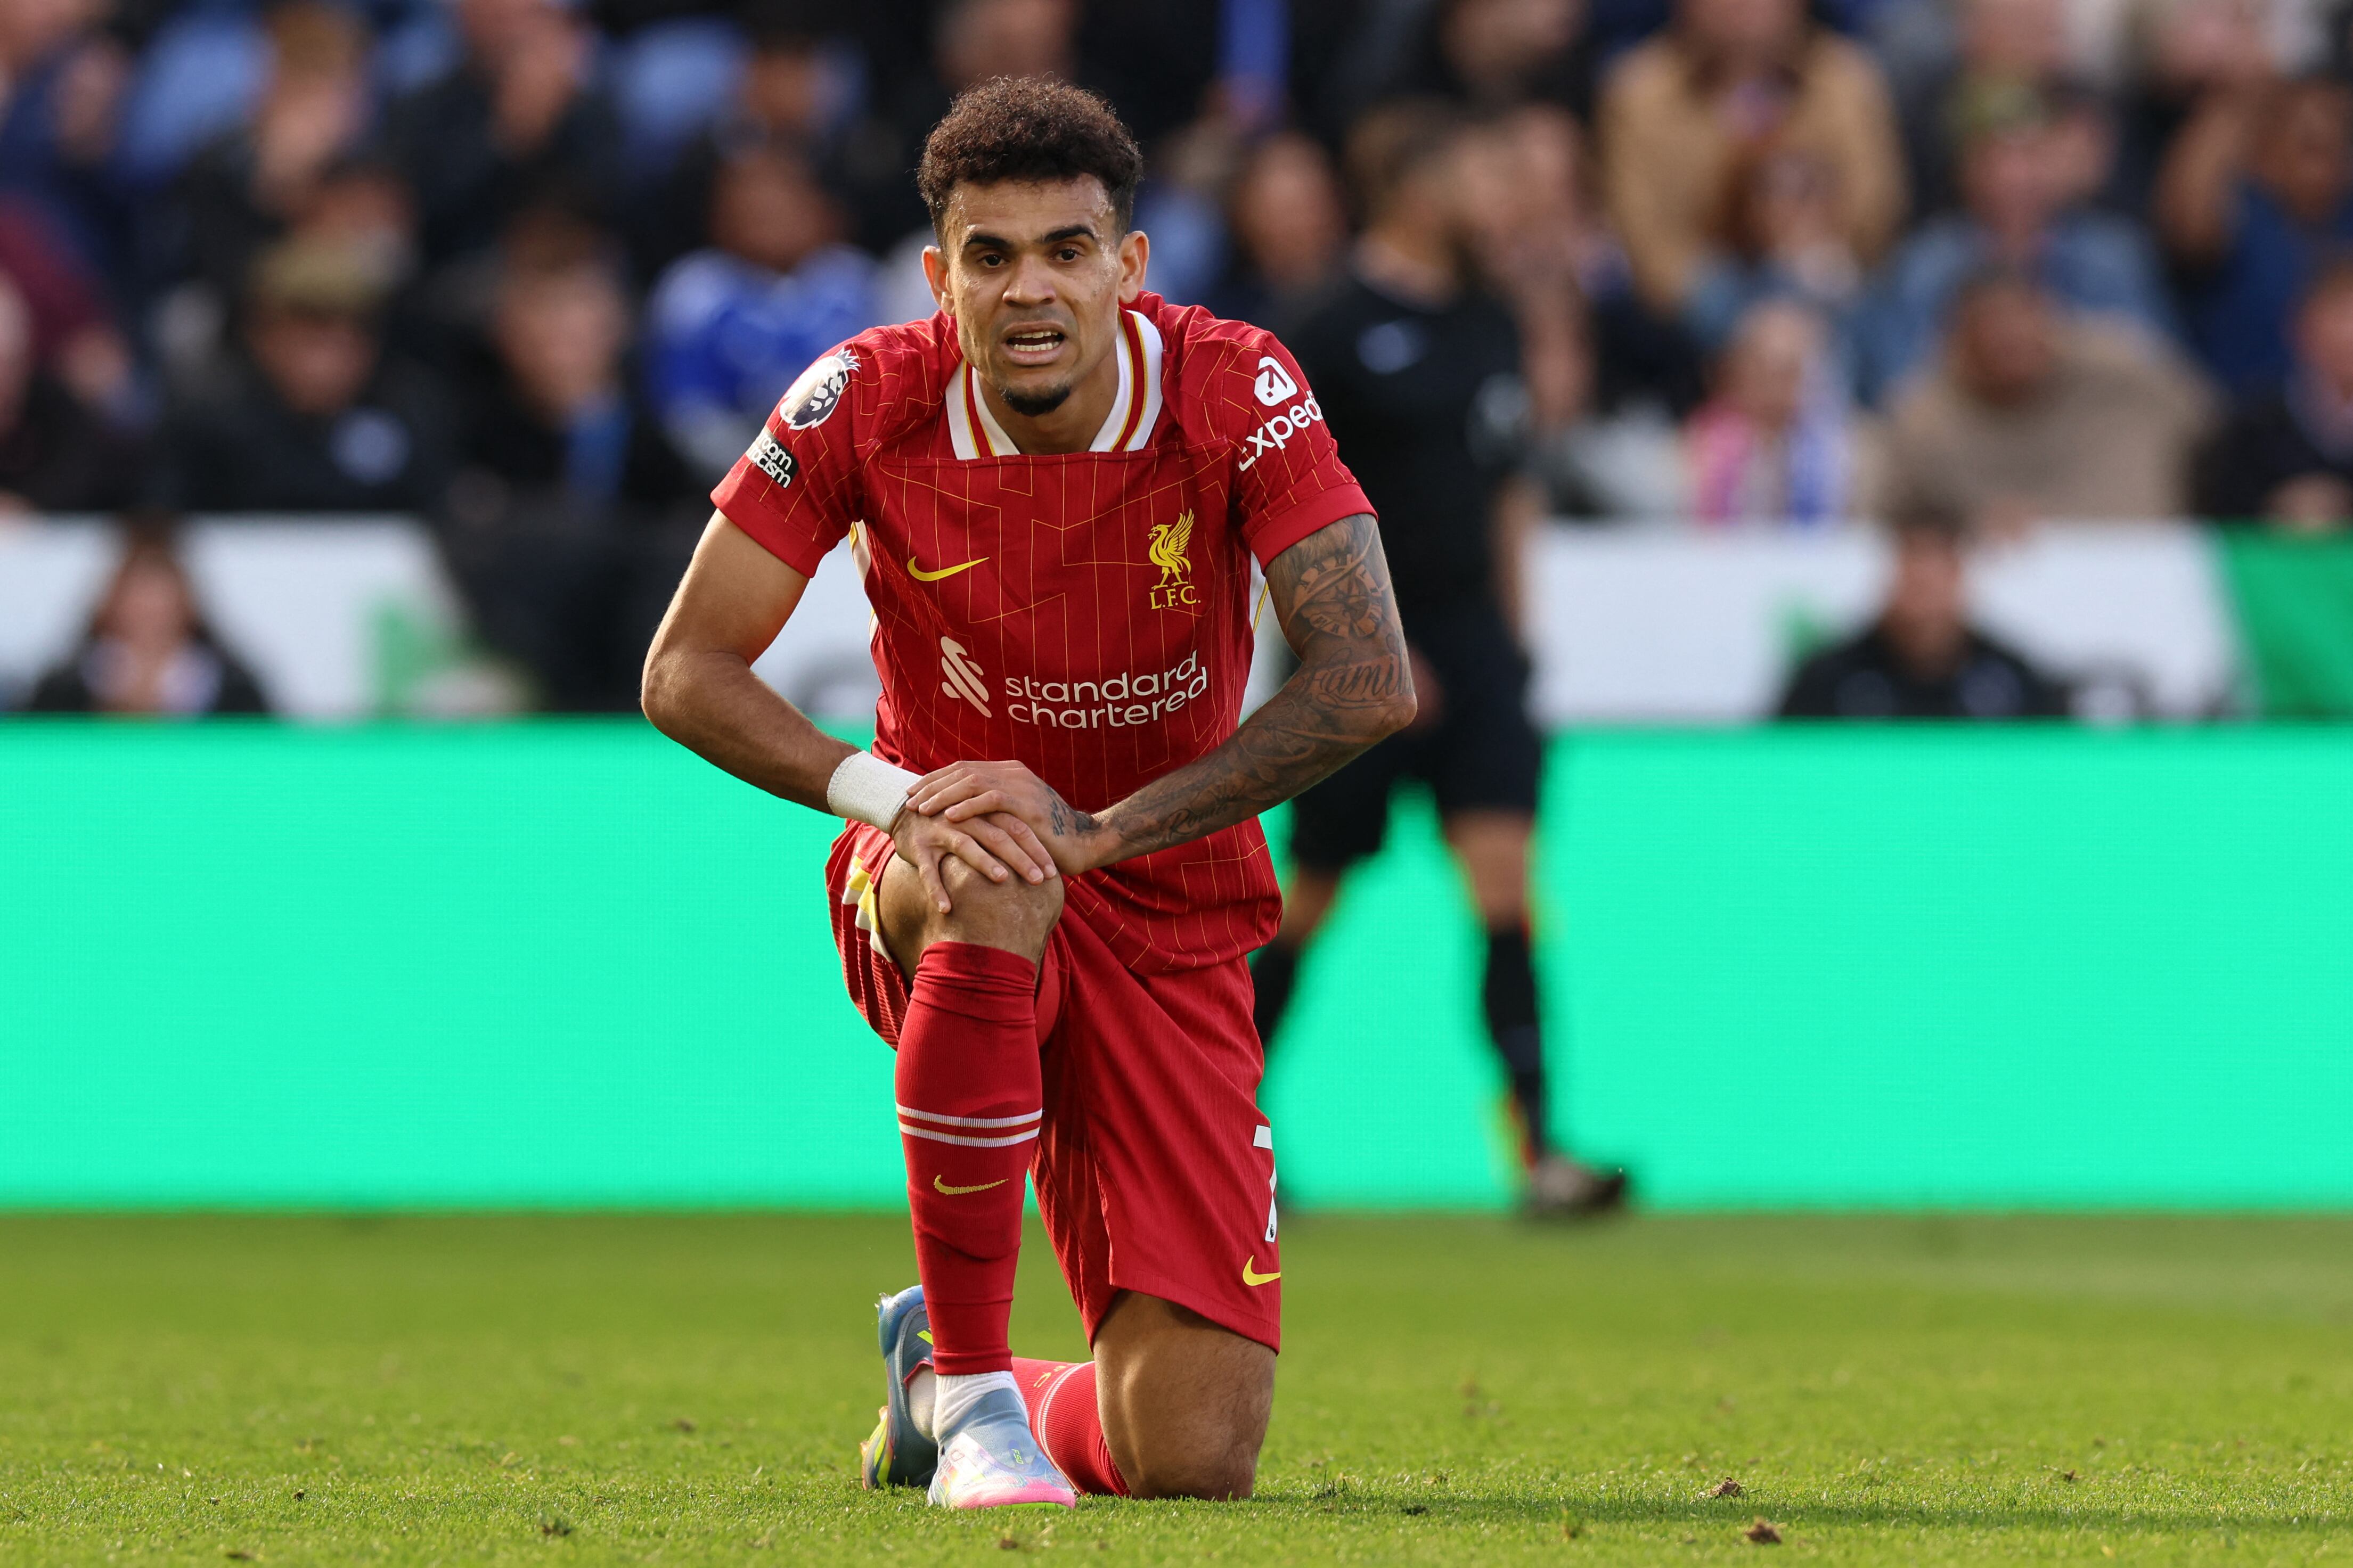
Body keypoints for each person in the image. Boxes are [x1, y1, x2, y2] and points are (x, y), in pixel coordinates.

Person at [640, 79, 1411, 1509]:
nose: (1030, 287)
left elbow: (1369, 679)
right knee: (995, 855)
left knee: (1191, 1452)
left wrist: (1107, 830)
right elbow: (685, 669)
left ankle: (938, 1375)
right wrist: (891, 797)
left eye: (1067, 249)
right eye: (989, 256)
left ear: (1132, 266)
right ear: (941, 279)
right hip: (942, 872)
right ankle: (988, 1406)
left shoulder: (1236, 389)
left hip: (1168, 896)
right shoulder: (864, 396)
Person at [1248, 103, 1625, 1218]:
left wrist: (1513, 644)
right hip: (1353, 647)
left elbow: (1512, 478)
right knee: (1309, 894)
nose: (1501, 192)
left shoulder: (1489, 317)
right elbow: (1279, 508)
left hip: (1471, 639)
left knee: (1505, 883)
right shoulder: (1321, 326)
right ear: (1417, 183)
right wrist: (1360, 644)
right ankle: (1227, 1134)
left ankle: (1543, 1150)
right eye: (1480, 171)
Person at [443, 209, 696, 710]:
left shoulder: (648, 436)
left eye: (580, 325)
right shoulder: (476, 431)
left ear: (614, 328)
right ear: (510, 334)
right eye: (548, 325)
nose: (565, 346)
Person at [1862, 80, 2173, 401]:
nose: (2017, 175)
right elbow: (1896, 390)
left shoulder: (2111, 257)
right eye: (1997, 157)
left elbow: (2158, 371)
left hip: (2090, 434)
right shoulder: (1926, 268)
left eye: (2033, 155)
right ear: (1964, 167)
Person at [1597, 0, 1906, 320]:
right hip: (1685, 320)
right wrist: (1705, 297)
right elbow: (1637, 229)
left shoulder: (1846, 79)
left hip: (1830, 298)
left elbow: (1875, 207)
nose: (1740, 7)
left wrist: (1816, 266)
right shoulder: (1639, 92)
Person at [1880, 268, 2213, 526]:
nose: (2012, 335)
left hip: (2160, 577)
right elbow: (1892, 527)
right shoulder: (1924, 423)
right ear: (1956, 342)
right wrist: (1966, 530)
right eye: (1992, 325)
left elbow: (2214, 435)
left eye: (2022, 317)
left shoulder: (2126, 374)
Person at [161, 236, 453, 513]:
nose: (336, 350)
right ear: (260, 333)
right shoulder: (208, 417)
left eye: (356, 329)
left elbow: (439, 511)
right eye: (314, 329)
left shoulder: (409, 407)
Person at [644, 145, 881, 481]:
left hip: (847, 476)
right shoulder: (694, 291)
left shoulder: (858, 283)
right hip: (727, 482)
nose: (767, 219)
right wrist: (771, 469)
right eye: (751, 209)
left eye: (782, 206)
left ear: (819, 208)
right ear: (719, 216)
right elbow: (687, 413)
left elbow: (889, 396)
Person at [2156, 74, 2353, 397]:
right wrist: (2236, 99)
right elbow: (2187, 222)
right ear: (2266, 148)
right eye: (2310, 147)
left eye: (2337, 145)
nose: (2328, 164)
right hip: (2240, 416)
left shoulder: (2344, 218)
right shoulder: (2237, 215)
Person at [1778, 503, 2068, 718]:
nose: (1924, 591)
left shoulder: (2011, 680)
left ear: (1960, 579)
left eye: (1936, 575)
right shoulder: (1829, 679)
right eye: (1913, 574)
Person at [26, 518, 272, 716]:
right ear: (111, 603)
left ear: (186, 605)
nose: (149, 612)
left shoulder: (235, 690)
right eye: (136, 596)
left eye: (161, 597)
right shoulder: (62, 691)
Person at [1685, 297, 1879, 523]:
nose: (1774, 385)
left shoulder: (1853, 453)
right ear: (1737, 371)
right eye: (1762, 369)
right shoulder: (1695, 448)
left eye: (1789, 370)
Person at [2196, 257, 2353, 528]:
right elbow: (2214, 518)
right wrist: (2272, 511)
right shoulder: (2250, 429)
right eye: (2338, 314)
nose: (2348, 333)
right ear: (2300, 326)